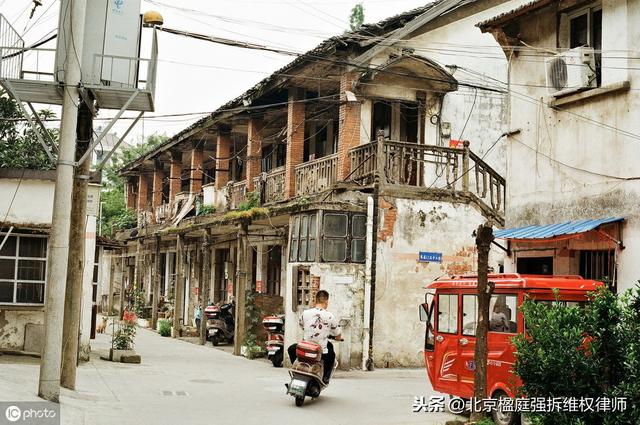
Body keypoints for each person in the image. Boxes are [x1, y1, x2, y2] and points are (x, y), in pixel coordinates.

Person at [287, 290, 343, 384]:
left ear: (316, 300)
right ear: (326, 301)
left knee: (291, 349)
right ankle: (325, 377)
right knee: (331, 355)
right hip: (320, 350)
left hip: (305, 347)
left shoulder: (305, 313)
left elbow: (302, 325)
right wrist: (338, 338)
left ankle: (296, 369)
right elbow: (337, 333)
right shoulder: (329, 316)